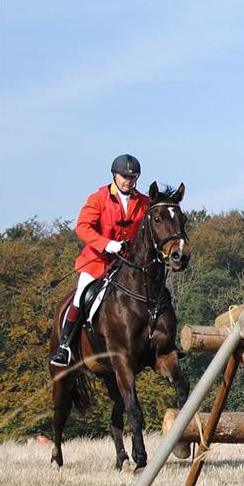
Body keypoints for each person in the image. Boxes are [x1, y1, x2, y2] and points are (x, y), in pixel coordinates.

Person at [50, 154, 151, 366]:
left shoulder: (143, 202)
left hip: (127, 264)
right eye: (124, 176)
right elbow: (82, 227)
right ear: (115, 175)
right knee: (80, 297)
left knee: (153, 295)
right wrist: (106, 243)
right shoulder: (98, 198)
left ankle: (159, 344)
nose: (128, 181)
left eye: (133, 177)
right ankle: (65, 347)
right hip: (98, 262)